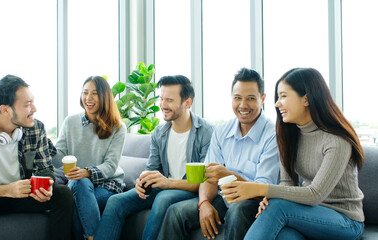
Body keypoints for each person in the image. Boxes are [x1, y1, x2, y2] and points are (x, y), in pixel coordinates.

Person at [223, 68, 364, 239]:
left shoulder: (336, 140)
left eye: (283, 96)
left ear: (305, 99)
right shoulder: (289, 136)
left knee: (278, 208)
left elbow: (315, 194)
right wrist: (271, 200)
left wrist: (258, 189)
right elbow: (287, 184)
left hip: (345, 221)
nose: (277, 104)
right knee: (283, 235)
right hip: (306, 215)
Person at [158, 68, 280, 240]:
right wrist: (204, 203)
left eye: (251, 98)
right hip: (223, 199)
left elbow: (263, 190)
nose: (243, 105)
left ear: (263, 99)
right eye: (237, 98)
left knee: (238, 211)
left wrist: (229, 175)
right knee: (176, 212)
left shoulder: (273, 135)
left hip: (254, 202)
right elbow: (209, 175)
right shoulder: (222, 131)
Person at [0, 75, 73, 240]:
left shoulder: (36, 128)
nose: (34, 109)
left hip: (23, 196)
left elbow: (45, 169)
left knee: (63, 194)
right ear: (5, 109)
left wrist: (47, 185)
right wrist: (7, 190)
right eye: (27, 104)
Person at [94, 75, 214, 240]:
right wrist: (142, 182)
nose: (163, 105)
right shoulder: (160, 132)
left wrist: (167, 183)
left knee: (164, 198)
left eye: (169, 100)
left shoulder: (207, 132)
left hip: (190, 190)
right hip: (163, 187)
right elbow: (151, 169)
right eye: (162, 99)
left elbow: (204, 181)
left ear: (187, 102)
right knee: (115, 201)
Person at [52, 76, 126, 240]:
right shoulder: (70, 122)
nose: (88, 98)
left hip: (107, 185)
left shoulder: (118, 128)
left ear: (104, 97)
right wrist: (47, 149)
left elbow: (110, 165)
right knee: (79, 185)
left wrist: (86, 172)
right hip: (77, 183)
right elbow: (60, 158)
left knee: (76, 204)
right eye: (85, 92)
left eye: (94, 93)